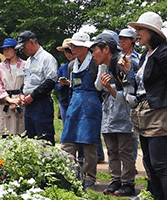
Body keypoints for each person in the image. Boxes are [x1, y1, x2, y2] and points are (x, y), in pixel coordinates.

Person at [119, 11, 167, 200]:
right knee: (149, 164)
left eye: (140, 29)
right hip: (143, 113)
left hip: (159, 113)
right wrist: (130, 72)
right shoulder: (147, 54)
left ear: (152, 32)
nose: (136, 33)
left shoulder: (165, 53)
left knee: (161, 165)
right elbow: (143, 85)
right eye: (136, 29)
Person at [91, 32, 136, 196]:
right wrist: (102, 68)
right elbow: (98, 87)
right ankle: (115, 180)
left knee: (125, 151)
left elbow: (129, 94)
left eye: (95, 50)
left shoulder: (120, 64)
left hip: (123, 115)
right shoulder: (105, 65)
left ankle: (128, 183)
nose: (93, 54)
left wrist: (110, 88)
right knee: (112, 151)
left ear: (106, 49)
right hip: (109, 115)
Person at [59, 32, 101, 188]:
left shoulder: (95, 64)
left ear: (85, 47)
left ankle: (90, 177)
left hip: (91, 105)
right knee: (67, 141)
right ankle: (68, 174)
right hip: (74, 104)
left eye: (76, 46)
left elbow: (100, 88)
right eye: (72, 46)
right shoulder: (71, 65)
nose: (73, 49)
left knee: (89, 143)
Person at [15, 30, 58, 146]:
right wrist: (21, 94)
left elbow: (50, 82)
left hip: (41, 103)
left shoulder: (47, 58)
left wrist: (33, 96)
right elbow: (27, 81)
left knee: (44, 137)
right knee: (30, 139)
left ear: (31, 42)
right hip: (29, 104)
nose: (22, 50)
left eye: (23, 47)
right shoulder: (29, 61)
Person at [0, 38, 27, 137]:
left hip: (21, 100)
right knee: (6, 131)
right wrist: (8, 99)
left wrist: (20, 98)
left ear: (16, 50)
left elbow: (29, 82)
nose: (6, 52)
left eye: (9, 49)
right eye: (4, 50)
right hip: (5, 101)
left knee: (21, 130)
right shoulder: (0, 67)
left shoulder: (25, 65)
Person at [118, 28, 140, 165]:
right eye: (120, 38)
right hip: (117, 97)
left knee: (133, 132)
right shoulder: (115, 56)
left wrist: (130, 66)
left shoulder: (139, 58)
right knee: (118, 131)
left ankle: (132, 162)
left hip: (132, 97)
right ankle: (120, 163)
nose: (121, 41)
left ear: (133, 41)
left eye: (124, 39)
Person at [56, 38, 74, 124]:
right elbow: (57, 87)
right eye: (65, 52)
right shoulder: (63, 68)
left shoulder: (82, 65)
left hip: (76, 101)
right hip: (65, 101)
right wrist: (61, 84)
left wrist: (70, 83)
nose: (67, 54)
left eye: (69, 51)